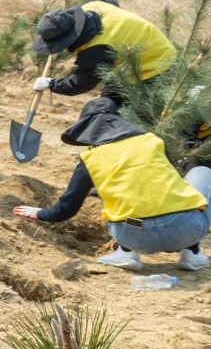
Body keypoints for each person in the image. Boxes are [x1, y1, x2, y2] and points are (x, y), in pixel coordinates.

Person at [13, 98, 209, 272]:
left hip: (133, 236)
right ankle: (192, 253)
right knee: (202, 172)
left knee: (113, 190)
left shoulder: (90, 158)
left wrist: (39, 213)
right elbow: (174, 179)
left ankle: (127, 253)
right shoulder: (152, 141)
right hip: (185, 231)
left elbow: (66, 210)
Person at [31, 0, 176, 104]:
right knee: (106, 106)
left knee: (123, 116)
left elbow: (80, 84)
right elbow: (111, 2)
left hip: (156, 64)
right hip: (149, 40)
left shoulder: (95, 50)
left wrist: (51, 83)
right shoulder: (91, 5)